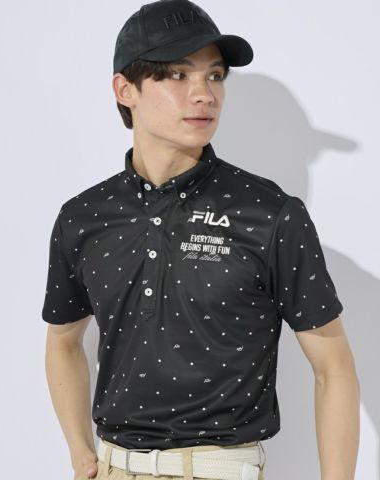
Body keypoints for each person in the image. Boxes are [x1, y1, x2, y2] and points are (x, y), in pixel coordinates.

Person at [42, 1, 360, 479]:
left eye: (214, 76)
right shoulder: (83, 217)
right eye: (177, 75)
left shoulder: (270, 214)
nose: (204, 94)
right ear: (125, 89)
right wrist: (80, 452)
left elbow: (333, 368)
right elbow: (63, 340)